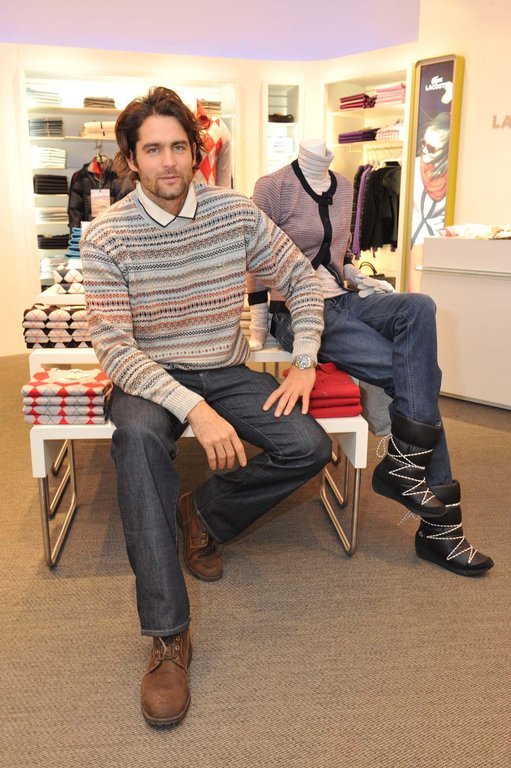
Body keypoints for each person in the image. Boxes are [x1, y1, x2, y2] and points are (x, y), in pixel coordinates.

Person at [80, 88, 332, 727]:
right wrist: (194, 408)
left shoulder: (235, 213)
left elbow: (301, 279)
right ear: (130, 160)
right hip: (148, 375)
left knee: (308, 446)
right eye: (152, 150)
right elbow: (114, 348)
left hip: (223, 366)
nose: (168, 162)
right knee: (138, 441)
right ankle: (168, 636)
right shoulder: (107, 234)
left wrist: (304, 357)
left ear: (197, 152)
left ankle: (203, 513)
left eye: (178, 147)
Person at [247, 138, 493, 579]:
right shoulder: (273, 187)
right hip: (298, 312)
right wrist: (259, 325)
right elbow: (254, 261)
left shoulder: (344, 186)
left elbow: (340, 256)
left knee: (418, 306)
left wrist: (358, 277)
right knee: (415, 377)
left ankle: (403, 465)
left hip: (344, 299)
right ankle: (441, 530)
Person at [411, 111, 450, 246]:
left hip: (438, 247)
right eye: (423, 144)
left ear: (446, 150)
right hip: (411, 243)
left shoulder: (452, 176)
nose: (425, 150)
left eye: (432, 148)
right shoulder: (413, 167)